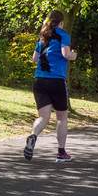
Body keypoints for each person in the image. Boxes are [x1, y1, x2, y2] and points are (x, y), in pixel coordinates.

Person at [24, 10, 76, 163]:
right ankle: (61, 153)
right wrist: (73, 55)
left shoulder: (43, 36)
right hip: (56, 80)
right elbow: (66, 54)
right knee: (62, 118)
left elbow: (34, 58)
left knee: (43, 117)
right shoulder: (63, 35)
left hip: (39, 80)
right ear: (61, 22)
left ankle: (33, 136)